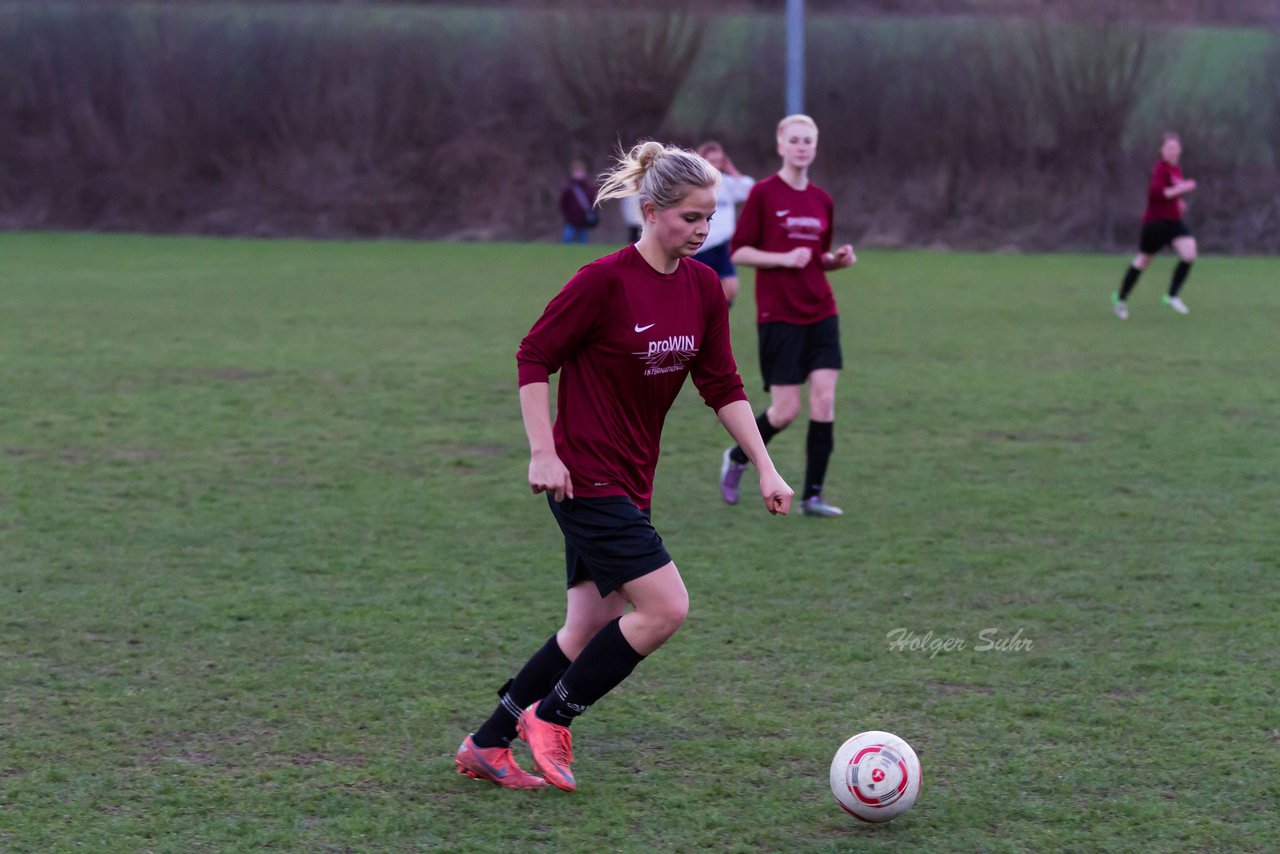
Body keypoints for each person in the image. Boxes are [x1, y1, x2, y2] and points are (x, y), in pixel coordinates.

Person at [455, 141, 794, 792]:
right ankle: (550, 718)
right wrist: (543, 451)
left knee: (585, 628)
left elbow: (722, 385)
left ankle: (486, 743)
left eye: (709, 217)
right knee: (666, 608)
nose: (702, 230)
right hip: (582, 477)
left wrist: (767, 465)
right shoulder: (603, 282)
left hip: (632, 481)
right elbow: (533, 356)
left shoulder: (700, 289)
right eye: (691, 218)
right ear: (650, 211)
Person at [717, 114, 856, 519]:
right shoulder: (763, 194)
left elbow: (816, 259)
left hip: (821, 310)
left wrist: (835, 261)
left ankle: (813, 496)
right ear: (780, 145)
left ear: (815, 146)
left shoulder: (822, 200)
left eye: (807, 141)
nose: (801, 146)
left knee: (825, 399)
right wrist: (782, 258)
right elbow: (738, 251)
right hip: (778, 315)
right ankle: (738, 458)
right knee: (785, 411)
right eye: (794, 140)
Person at [1113, 132, 1198, 319]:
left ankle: (1172, 296)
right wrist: (1183, 188)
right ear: (1162, 151)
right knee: (1143, 261)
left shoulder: (1176, 169)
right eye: (1169, 148)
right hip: (1156, 224)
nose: (1173, 151)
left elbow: (1171, 194)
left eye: (1175, 148)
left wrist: (1179, 202)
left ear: (1180, 150)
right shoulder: (1160, 169)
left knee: (1190, 252)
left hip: (1173, 223)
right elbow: (1157, 194)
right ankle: (1120, 300)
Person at [692, 141, 755, 307]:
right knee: (699, 291)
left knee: (731, 287)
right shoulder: (694, 185)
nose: (715, 164)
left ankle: (714, 322)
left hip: (723, 245)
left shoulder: (727, 183)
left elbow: (750, 189)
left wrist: (731, 169)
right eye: (711, 160)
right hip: (701, 246)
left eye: (719, 161)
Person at [559, 158, 599, 244]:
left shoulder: (589, 188)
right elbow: (563, 202)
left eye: (580, 172)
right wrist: (567, 214)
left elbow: (594, 202)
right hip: (571, 219)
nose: (579, 174)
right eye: (577, 172)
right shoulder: (569, 187)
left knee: (583, 240)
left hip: (584, 219)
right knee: (568, 238)